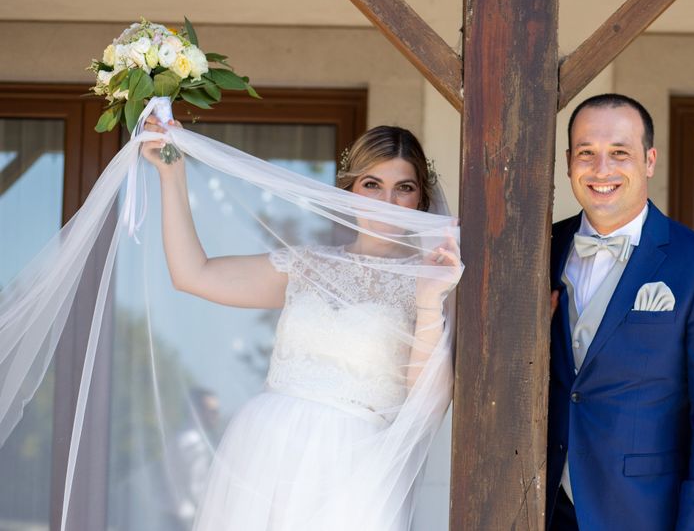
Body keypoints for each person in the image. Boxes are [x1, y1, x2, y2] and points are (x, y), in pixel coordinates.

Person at [139, 119, 462, 530]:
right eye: (372, 184)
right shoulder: (307, 265)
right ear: (348, 190)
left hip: (354, 468)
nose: (387, 201)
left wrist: (430, 301)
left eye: (404, 187)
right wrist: (172, 173)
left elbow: (426, 403)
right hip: (265, 452)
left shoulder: (432, 280)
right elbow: (192, 274)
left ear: (421, 199)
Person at [546, 94, 694, 530]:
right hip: (541, 508)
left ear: (649, 160)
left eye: (619, 153)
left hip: (642, 513)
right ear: (568, 162)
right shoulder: (539, 253)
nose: (602, 170)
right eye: (587, 153)